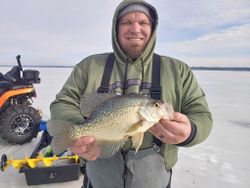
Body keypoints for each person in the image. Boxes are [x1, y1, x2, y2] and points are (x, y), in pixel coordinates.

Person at [50, 0, 213, 187]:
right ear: (115, 28)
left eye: (143, 23)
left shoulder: (178, 70)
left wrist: (191, 131)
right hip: (99, 175)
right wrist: (79, 133)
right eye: (127, 22)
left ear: (152, 30)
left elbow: (202, 115)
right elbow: (64, 102)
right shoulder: (90, 66)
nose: (135, 29)